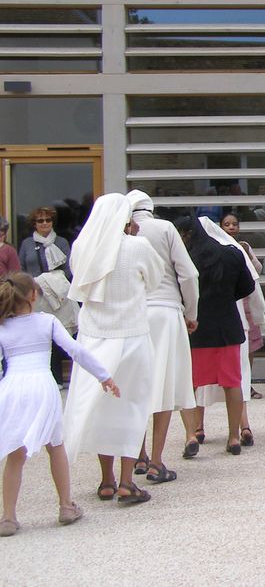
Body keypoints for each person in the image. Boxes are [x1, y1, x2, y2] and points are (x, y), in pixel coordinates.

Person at [0, 272, 120, 536]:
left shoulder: (2, 326)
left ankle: (8, 517)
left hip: (12, 387)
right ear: (33, 295)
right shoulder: (47, 322)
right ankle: (65, 505)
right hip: (43, 385)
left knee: (15, 453)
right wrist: (104, 375)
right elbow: (76, 351)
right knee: (55, 446)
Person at [62, 193, 163, 505]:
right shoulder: (137, 247)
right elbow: (155, 280)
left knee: (101, 409)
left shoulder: (81, 246)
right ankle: (126, 481)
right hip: (131, 334)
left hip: (93, 338)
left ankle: (105, 481)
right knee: (132, 407)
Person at [126, 190, 199, 480]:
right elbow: (188, 274)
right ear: (150, 209)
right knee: (165, 385)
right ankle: (157, 460)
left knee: (136, 385)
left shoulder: (121, 232)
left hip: (133, 313)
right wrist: (191, 313)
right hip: (167, 312)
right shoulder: (166, 228)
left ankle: (139, 455)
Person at [176, 216, 256, 455]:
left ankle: (191, 434)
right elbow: (247, 287)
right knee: (232, 383)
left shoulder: (185, 259)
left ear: (188, 235)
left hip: (195, 328)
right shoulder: (232, 253)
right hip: (227, 326)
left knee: (189, 384)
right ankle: (233, 437)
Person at [193, 216, 265, 450]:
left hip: (200, 326)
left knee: (198, 381)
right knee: (237, 379)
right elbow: (252, 289)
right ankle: (241, 428)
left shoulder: (191, 256)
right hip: (233, 326)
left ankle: (197, 429)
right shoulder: (235, 252)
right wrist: (260, 319)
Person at [18, 205, 74, 386]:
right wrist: (33, 284)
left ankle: (73, 378)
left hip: (60, 296)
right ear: (34, 223)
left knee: (65, 334)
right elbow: (22, 268)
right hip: (37, 296)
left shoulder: (62, 242)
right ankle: (54, 378)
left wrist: (51, 281)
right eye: (40, 220)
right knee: (44, 335)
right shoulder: (27, 244)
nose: (44, 223)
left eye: (48, 220)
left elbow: (69, 270)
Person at [220, 212, 265, 399]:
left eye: (234, 224)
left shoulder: (245, 246)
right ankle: (230, 384)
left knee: (251, 345)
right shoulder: (216, 245)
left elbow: (257, 270)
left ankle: (247, 384)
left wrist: (246, 256)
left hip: (246, 299)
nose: (231, 227)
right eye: (227, 224)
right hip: (228, 301)